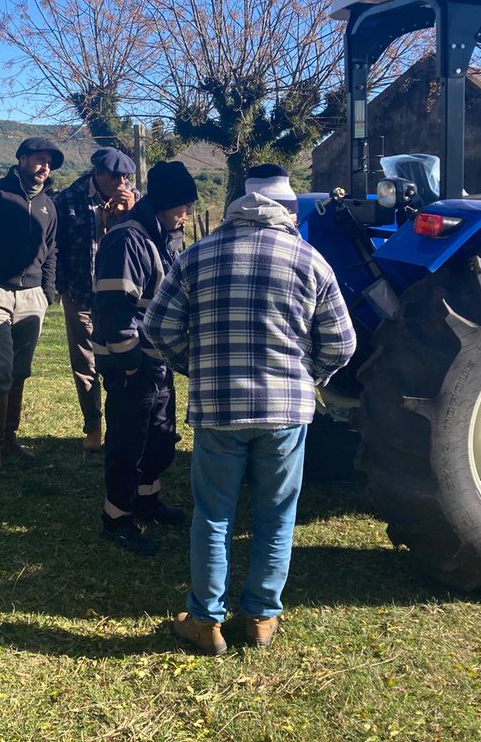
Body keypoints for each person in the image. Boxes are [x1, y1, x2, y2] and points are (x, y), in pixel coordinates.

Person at [144, 163, 356, 654]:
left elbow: (157, 328)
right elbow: (342, 344)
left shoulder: (197, 255)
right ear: (288, 209)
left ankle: (205, 621)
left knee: (213, 517)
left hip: (218, 410)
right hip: (285, 413)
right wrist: (309, 377)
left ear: (238, 204)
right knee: (277, 515)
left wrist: (194, 367)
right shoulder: (311, 260)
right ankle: (261, 618)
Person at [92, 160, 197, 555]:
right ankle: (116, 517)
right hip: (131, 362)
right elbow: (115, 310)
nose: (185, 214)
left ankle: (147, 499)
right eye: (180, 207)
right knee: (127, 442)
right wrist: (131, 362)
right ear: (161, 205)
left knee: (159, 437)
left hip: (156, 360)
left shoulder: (165, 235)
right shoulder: (127, 240)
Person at [0, 136, 64, 476]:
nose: (44, 166)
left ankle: (9, 437)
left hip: (32, 297)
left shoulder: (49, 204)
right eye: (38, 159)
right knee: (0, 370)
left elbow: (52, 251)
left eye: (49, 162)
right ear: (21, 159)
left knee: (20, 370)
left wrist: (47, 292)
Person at [54, 146, 139, 452]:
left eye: (127, 176)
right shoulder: (68, 199)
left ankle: (125, 423)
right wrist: (63, 287)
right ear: (98, 173)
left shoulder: (136, 200)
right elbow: (56, 247)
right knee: (84, 363)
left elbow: (146, 242)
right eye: (116, 176)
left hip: (121, 298)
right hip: (80, 294)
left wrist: (131, 212)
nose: (122, 182)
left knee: (125, 358)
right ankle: (93, 425)